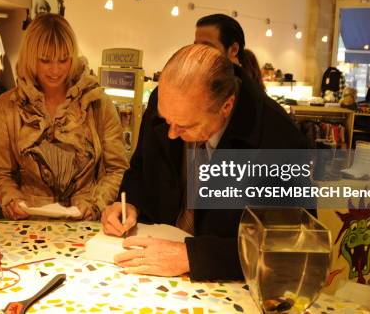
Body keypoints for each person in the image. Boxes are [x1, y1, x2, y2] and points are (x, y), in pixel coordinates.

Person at [101, 44, 308, 280]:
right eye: (167, 120)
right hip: (152, 264)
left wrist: (192, 256)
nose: (171, 134)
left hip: (225, 283)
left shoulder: (279, 139)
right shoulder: (169, 100)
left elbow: (290, 246)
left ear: (226, 107)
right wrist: (130, 203)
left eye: (185, 125)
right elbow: (141, 166)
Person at [0, 14, 128, 221]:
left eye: (63, 60)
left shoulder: (96, 102)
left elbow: (116, 167)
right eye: (45, 60)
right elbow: (0, 171)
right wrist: (11, 199)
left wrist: (96, 203)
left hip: (86, 224)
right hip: (29, 226)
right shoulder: (8, 105)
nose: (55, 70)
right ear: (30, 57)